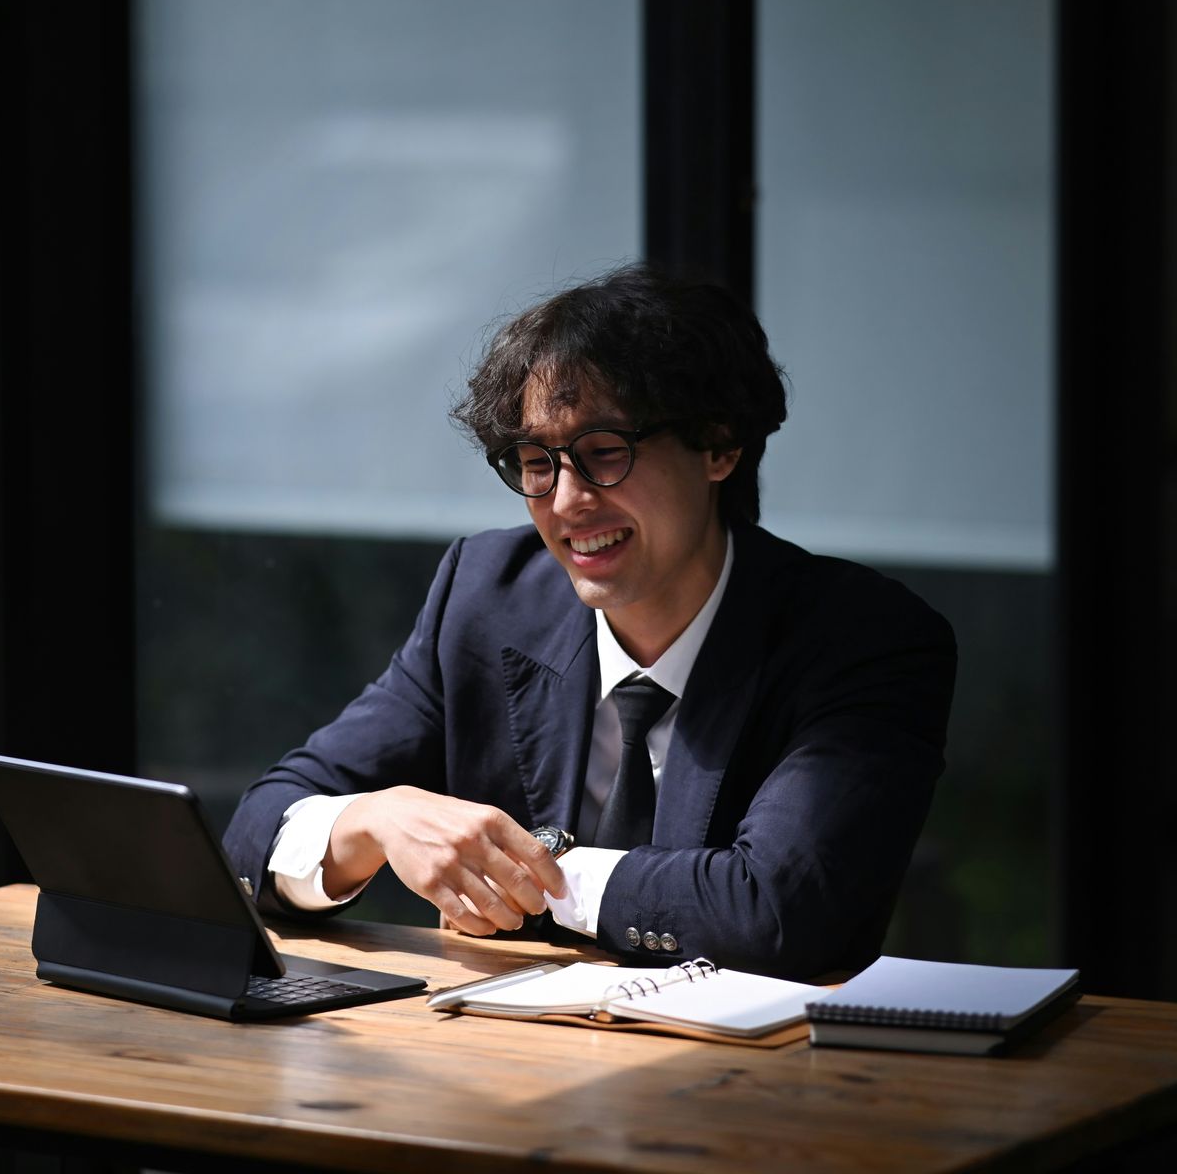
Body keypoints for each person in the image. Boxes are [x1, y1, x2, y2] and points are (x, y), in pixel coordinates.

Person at [219, 264, 957, 979]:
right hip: (503, 1071)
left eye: (605, 452)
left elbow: (783, 911)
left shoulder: (865, 638)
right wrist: (376, 820)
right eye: (536, 461)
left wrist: (530, 874)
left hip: (753, 1087)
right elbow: (256, 832)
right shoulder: (487, 595)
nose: (567, 501)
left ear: (720, 445)